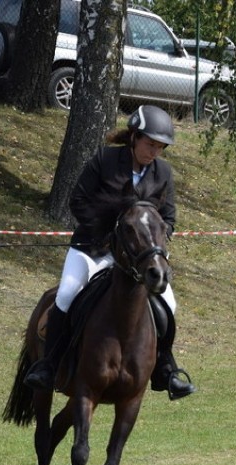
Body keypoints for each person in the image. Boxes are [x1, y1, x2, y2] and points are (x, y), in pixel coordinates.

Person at [24, 105, 196, 400]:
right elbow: (77, 201)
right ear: (134, 137)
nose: (154, 152)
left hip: (137, 260)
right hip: (93, 250)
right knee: (66, 294)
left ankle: (166, 369)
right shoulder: (105, 160)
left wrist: (155, 242)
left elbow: (168, 220)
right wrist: (106, 233)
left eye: (160, 147)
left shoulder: (163, 173)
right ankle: (48, 365)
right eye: (149, 144)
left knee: (168, 301)